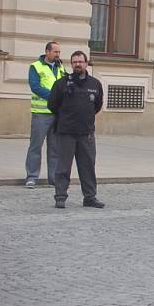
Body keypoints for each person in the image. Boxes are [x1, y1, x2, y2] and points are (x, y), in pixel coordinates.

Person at [48, 50, 104, 209]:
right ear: (71, 64)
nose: (78, 64)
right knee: (63, 167)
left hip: (86, 133)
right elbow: (52, 105)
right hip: (66, 133)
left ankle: (90, 197)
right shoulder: (61, 83)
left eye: (80, 61)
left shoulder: (95, 84)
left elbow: (97, 105)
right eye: (75, 62)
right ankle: (60, 197)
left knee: (87, 167)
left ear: (86, 63)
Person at [24, 41, 66, 188]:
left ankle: (53, 178)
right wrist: (54, 96)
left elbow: (65, 84)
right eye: (55, 52)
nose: (58, 55)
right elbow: (35, 87)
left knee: (55, 147)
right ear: (47, 52)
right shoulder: (36, 66)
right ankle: (32, 176)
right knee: (36, 145)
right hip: (41, 113)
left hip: (57, 113)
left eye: (59, 52)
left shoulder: (60, 67)